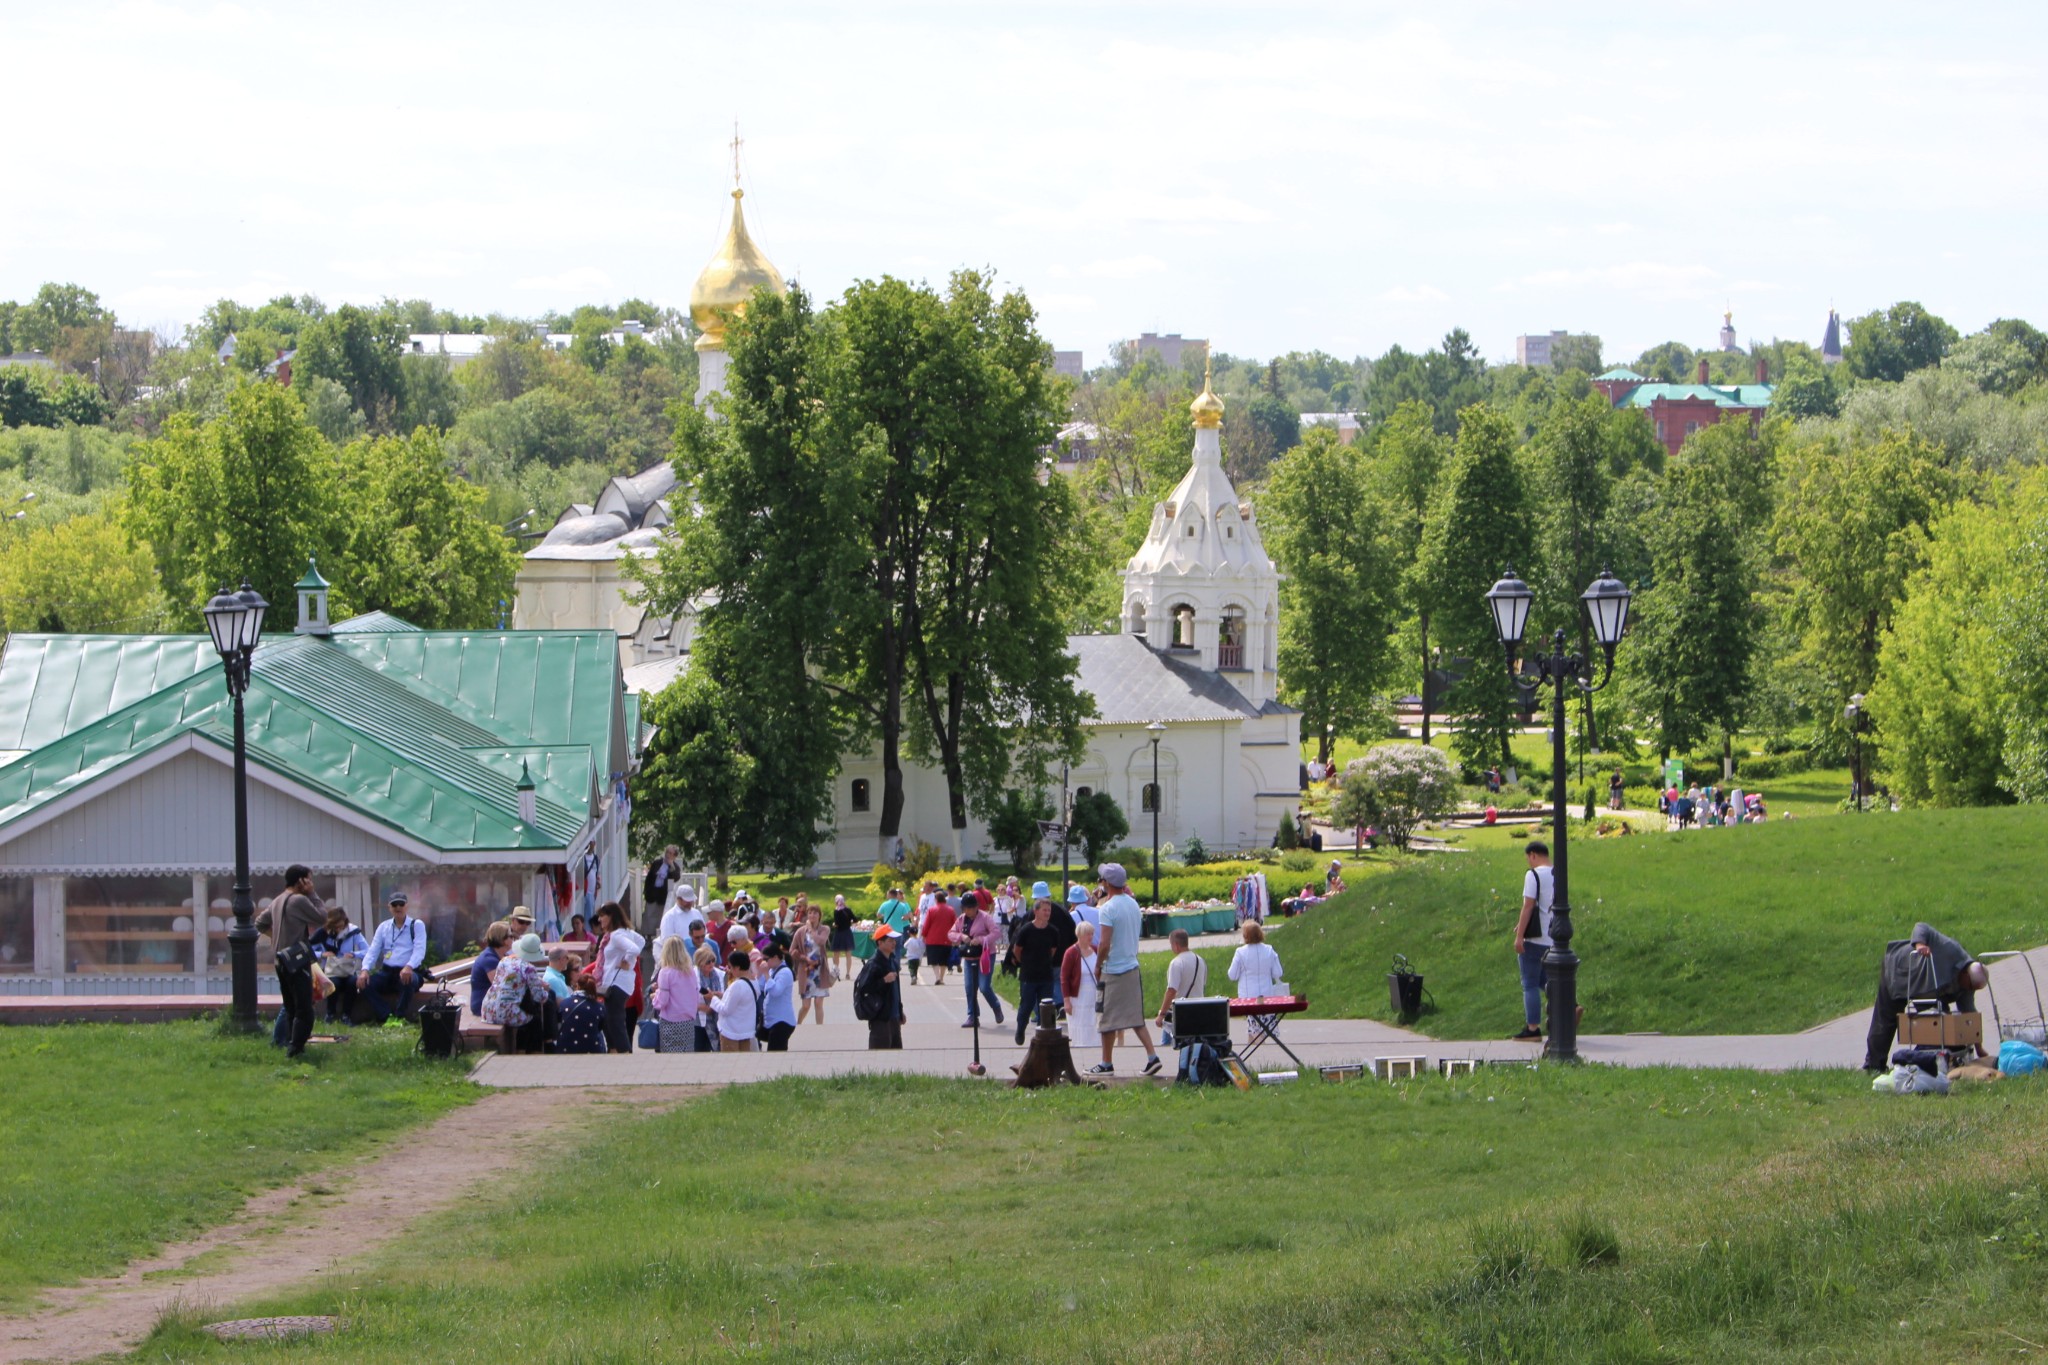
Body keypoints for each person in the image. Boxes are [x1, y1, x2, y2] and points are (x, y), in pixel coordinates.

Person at [1864, 923, 1989, 1071]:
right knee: (1886, 1020)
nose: (1969, 990)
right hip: (1900, 971)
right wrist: (1920, 944)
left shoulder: (1967, 985)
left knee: (1942, 1024)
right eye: (1969, 986)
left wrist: (1979, 1048)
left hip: (1925, 989)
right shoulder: (1950, 948)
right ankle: (1873, 1066)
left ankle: (1929, 1064)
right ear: (1965, 973)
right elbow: (1921, 927)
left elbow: (1969, 1014)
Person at [1088, 863, 1163, 1077]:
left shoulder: (1108, 909)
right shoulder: (1133, 904)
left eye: (1101, 879)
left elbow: (1104, 944)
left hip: (1113, 969)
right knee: (1135, 1017)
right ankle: (1152, 1056)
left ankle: (1106, 1063)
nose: (1100, 883)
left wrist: (1098, 965)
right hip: (1132, 965)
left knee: (1106, 1017)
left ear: (1107, 883)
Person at [255, 865, 325, 1057]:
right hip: (296, 960)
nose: (311, 883)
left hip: (281, 960)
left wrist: (277, 937)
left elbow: (260, 922)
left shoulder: (278, 900)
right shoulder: (299, 900)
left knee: (291, 1006)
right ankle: (296, 1049)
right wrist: (313, 893)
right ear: (301, 881)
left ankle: (289, 1044)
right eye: (309, 880)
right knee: (304, 1008)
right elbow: (321, 917)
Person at [357, 891, 427, 1024]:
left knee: (409, 980)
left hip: (409, 971)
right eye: (394, 905)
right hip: (387, 972)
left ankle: (399, 1016)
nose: (398, 908)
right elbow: (373, 951)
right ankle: (386, 1015)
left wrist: (409, 966)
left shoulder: (417, 925)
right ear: (389, 907)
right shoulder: (383, 927)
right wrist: (365, 970)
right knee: (363, 983)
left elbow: (419, 951)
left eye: (401, 904)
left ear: (407, 906)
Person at [1510, 840, 1554, 1042]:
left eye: (1528, 858)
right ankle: (1570, 1007)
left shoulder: (1533, 874)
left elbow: (1528, 906)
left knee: (1529, 984)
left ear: (1533, 855)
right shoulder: (1558, 874)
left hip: (1535, 939)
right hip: (1555, 938)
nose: (1528, 862)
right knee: (1548, 981)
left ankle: (1533, 1028)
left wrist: (1520, 937)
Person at [1010, 892, 1066, 1046]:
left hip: (1046, 975)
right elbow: (1017, 950)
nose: (1047, 913)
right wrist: (1025, 963)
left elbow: (1053, 950)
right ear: (1036, 911)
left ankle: (1043, 1037)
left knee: (1046, 1007)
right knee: (1026, 1005)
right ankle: (1020, 1029)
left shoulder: (1053, 931)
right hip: (1028, 975)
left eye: (1049, 911)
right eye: (1044, 910)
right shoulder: (1027, 930)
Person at [483, 934, 554, 1053]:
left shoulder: (505, 960)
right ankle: (529, 1052)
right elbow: (539, 997)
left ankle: (522, 1051)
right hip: (506, 1013)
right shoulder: (528, 968)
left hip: (489, 1010)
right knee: (533, 1020)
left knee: (526, 1013)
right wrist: (546, 991)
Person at [592, 901, 645, 1055]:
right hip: (623, 983)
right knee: (611, 1019)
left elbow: (634, 948)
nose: (600, 920)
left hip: (616, 983)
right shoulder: (626, 932)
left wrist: (627, 961)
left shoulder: (616, 936)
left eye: (603, 916)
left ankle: (624, 1052)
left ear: (612, 917)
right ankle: (616, 1050)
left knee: (615, 1021)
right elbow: (641, 941)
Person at [954, 893, 1005, 1030]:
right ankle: (972, 1016)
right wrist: (961, 936)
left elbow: (996, 933)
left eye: (971, 908)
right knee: (969, 987)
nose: (968, 911)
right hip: (969, 957)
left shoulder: (985, 917)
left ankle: (996, 1007)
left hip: (985, 955)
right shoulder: (961, 919)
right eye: (965, 908)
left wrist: (982, 940)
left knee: (984, 987)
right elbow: (951, 933)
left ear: (976, 907)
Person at [309, 905, 368, 1025]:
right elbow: (307, 950)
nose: (339, 929)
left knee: (352, 983)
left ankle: (347, 1015)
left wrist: (354, 954)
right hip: (331, 970)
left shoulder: (353, 932)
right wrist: (322, 954)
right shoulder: (322, 934)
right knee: (333, 984)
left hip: (347, 970)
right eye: (336, 927)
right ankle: (330, 1014)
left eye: (342, 926)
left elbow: (367, 950)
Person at [855, 925, 906, 1050]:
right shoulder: (874, 964)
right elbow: (864, 989)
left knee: (896, 1052)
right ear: (880, 943)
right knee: (880, 1054)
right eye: (890, 941)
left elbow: (896, 991)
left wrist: (900, 1010)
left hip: (893, 1016)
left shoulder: (892, 961)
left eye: (894, 940)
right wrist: (883, 980)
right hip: (880, 1016)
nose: (894, 943)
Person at [1156, 929, 1210, 1046]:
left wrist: (1162, 1014)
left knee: (1168, 1044)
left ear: (1176, 945)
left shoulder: (1176, 963)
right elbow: (1203, 984)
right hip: (1198, 1008)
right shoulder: (1200, 960)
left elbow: (1171, 991)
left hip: (1180, 1011)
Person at [650, 935, 700, 1053]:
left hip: (670, 1020)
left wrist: (654, 998)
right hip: (688, 1019)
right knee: (687, 1054)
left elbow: (663, 1001)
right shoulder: (690, 971)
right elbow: (695, 993)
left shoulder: (665, 972)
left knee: (670, 1056)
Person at [1062, 922, 1100, 1053]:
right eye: (1087, 934)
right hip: (1078, 995)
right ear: (1080, 935)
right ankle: (1080, 1049)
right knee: (1080, 1022)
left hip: (1094, 993)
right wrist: (1066, 1000)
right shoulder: (1071, 953)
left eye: (1092, 934)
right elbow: (1064, 978)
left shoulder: (1096, 950)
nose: (1090, 937)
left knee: (1094, 1021)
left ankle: (1096, 1048)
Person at [792, 905, 834, 1025]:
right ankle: (798, 1024)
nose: (812, 915)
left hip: (820, 970)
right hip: (806, 970)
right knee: (806, 1005)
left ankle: (819, 1028)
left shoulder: (825, 929)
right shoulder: (800, 932)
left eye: (815, 913)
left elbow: (820, 941)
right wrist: (804, 958)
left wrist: (811, 929)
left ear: (819, 916)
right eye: (810, 913)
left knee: (818, 1002)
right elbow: (792, 950)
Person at [756, 941, 799, 1051]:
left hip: (782, 1021)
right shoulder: (771, 970)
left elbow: (776, 991)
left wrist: (766, 974)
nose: (764, 962)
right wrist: (760, 973)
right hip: (771, 1020)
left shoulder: (785, 972)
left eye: (766, 959)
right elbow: (760, 988)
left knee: (775, 1053)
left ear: (775, 957)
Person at [556, 970, 609, 1054]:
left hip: (565, 1047)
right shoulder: (599, 1007)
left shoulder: (564, 1003)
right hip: (592, 1048)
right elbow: (601, 1026)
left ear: (577, 986)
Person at [1228, 920, 1284, 999]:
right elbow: (1278, 973)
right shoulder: (1269, 950)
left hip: (1247, 997)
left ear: (1245, 935)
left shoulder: (1240, 952)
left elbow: (1232, 976)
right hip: (1267, 996)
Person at [469, 921, 512, 1018]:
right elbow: (500, 985)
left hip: (495, 1002)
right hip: (484, 1005)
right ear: (503, 940)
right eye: (511, 935)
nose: (513, 938)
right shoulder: (489, 959)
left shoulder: (502, 956)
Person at [690, 943, 726, 1052]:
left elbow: (725, 994)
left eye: (713, 960)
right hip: (697, 1020)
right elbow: (687, 998)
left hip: (716, 1018)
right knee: (699, 1049)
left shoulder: (719, 974)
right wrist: (701, 1007)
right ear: (700, 963)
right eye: (708, 961)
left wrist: (717, 996)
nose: (711, 964)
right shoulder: (692, 975)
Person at [920, 892, 957, 987]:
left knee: (934, 960)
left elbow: (926, 924)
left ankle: (937, 977)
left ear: (936, 899)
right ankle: (941, 978)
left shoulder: (931, 910)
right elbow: (955, 924)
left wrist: (923, 935)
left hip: (932, 938)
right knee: (943, 960)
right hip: (946, 938)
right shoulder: (951, 910)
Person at [657, 883, 702, 949]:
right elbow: (667, 941)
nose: (690, 904)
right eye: (687, 901)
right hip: (679, 955)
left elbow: (704, 933)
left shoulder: (697, 913)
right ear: (678, 899)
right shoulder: (669, 917)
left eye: (691, 901)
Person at [643, 844, 683, 913]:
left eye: (670, 853)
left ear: (674, 856)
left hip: (663, 898)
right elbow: (648, 879)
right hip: (652, 896)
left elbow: (676, 878)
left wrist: (671, 866)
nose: (668, 855)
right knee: (648, 919)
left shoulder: (675, 867)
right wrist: (647, 892)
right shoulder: (657, 863)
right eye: (667, 852)